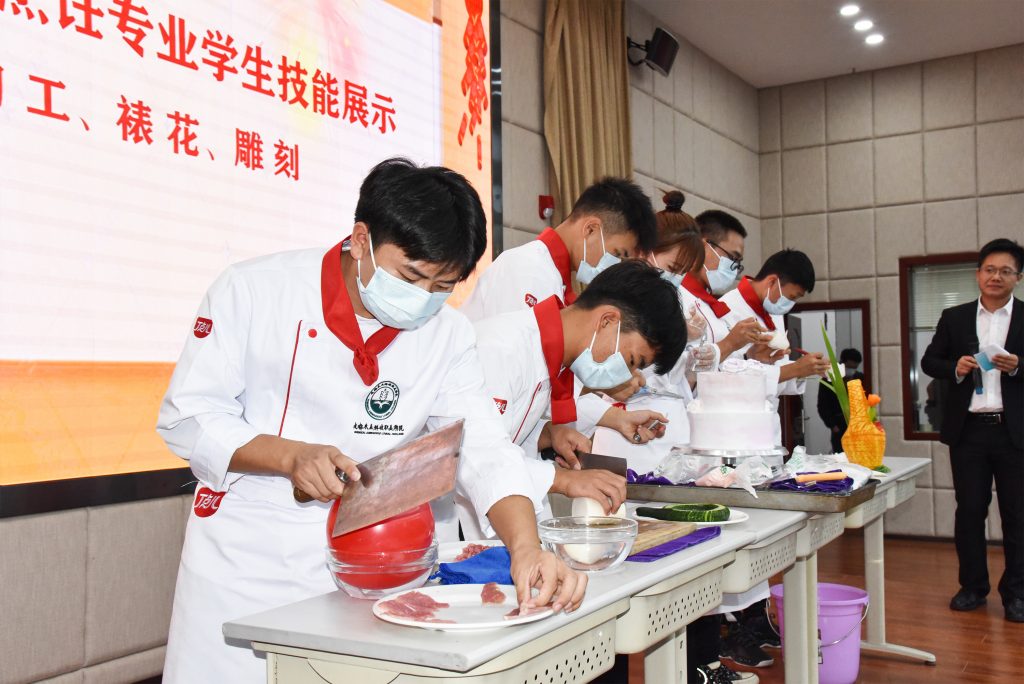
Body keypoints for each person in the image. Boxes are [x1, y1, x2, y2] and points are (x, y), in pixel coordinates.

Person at [156, 158, 588, 681]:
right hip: (248, 560)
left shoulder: (448, 335)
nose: (424, 299)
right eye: (411, 277)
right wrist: (290, 456)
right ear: (361, 239)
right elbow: (189, 416)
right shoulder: (255, 290)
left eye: (443, 286)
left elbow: (484, 450)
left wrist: (526, 548)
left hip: (375, 565)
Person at [465, 260, 686, 538]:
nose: (627, 376)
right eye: (631, 361)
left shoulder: (551, 360)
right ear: (607, 321)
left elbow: (501, 432)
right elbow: (473, 455)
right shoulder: (501, 349)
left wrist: (546, 435)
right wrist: (562, 479)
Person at [462, 177, 662, 441]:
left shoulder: (555, 279)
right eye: (617, 254)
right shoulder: (528, 270)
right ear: (591, 229)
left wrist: (611, 407)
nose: (615, 266)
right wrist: (603, 382)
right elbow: (526, 378)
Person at [921, 237, 1023, 623]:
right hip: (969, 433)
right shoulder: (955, 316)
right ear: (978, 274)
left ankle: (1017, 594)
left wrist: (1018, 366)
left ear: (1018, 277)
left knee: (1018, 515)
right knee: (969, 512)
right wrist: (955, 367)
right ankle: (972, 587)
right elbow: (930, 361)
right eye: (989, 269)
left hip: (1015, 433)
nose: (996, 276)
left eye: (1005, 271)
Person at [817, 348, 866, 454]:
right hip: (838, 425)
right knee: (841, 455)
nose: (851, 370)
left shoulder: (861, 378)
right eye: (849, 367)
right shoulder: (828, 380)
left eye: (854, 368)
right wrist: (833, 426)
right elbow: (822, 405)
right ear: (842, 363)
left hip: (857, 425)